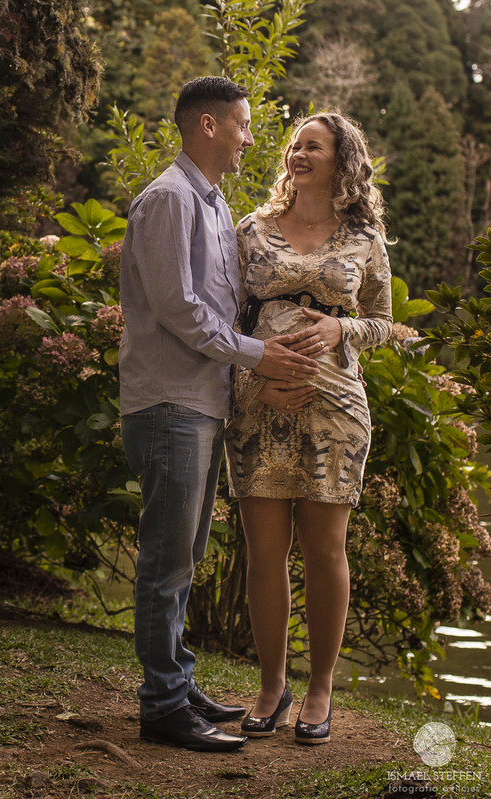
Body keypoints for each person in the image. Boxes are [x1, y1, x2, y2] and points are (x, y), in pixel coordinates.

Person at [118, 76, 321, 753]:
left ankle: (176, 680)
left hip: (201, 403)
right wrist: (257, 356)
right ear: (206, 126)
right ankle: (163, 704)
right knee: (167, 559)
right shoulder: (170, 200)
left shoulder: (211, 204)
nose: (249, 137)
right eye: (241, 123)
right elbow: (180, 310)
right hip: (169, 401)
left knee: (186, 553)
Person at [226, 112, 393, 745]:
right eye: (294, 146)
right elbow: (224, 317)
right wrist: (254, 379)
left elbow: (384, 323)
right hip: (257, 399)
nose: (297, 155)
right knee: (264, 552)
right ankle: (272, 684)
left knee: (325, 551)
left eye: (312, 147)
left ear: (340, 160)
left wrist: (341, 328)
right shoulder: (252, 230)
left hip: (336, 408)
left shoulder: (363, 240)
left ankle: (320, 690)